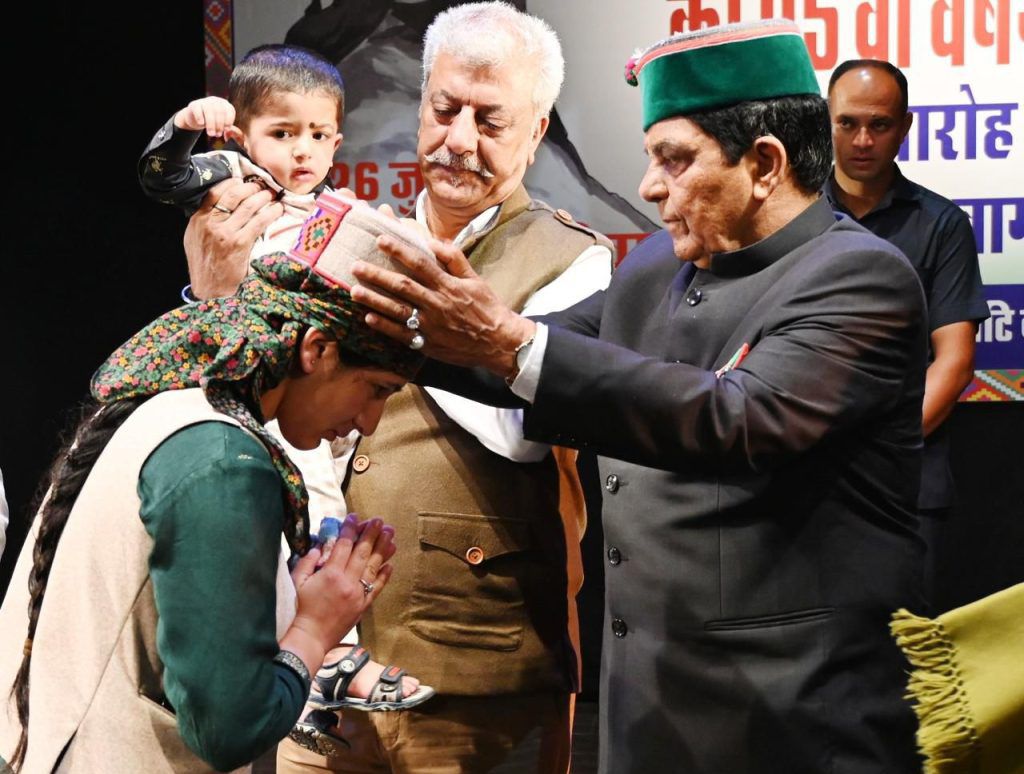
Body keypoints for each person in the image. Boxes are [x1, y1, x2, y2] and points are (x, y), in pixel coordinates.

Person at [349, 19, 930, 773]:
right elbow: (527, 355)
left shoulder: (859, 278)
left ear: (765, 163)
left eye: (674, 159)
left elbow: (736, 417)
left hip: (791, 721)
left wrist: (506, 340)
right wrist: (369, 320)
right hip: (647, 714)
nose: (649, 186)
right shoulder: (658, 265)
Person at [184, 4, 614, 771]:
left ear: (537, 131)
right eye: (444, 110)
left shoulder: (572, 258)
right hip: (310, 670)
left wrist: (411, 321)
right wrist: (214, 295)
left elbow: (522, 433)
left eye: (490, 120)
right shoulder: (344, 229)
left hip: (473, 677)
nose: (459, 140)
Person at [0, 204, 436, 772]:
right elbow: (231, 727)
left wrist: (280, 599)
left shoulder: (175, 401)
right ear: (317, 349)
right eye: (376, 389)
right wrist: (316, 626)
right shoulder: (226, 462)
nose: (370, 422)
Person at [824, 59, 989, 606]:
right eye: (848, 123)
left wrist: (879, 454)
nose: (863, 140)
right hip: (801, 480)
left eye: (880, 125)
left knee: (907, 645)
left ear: (905, 127)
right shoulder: (790, 220)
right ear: (826, 122)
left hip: (907, 484)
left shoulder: (941, 224)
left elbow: (955, 362)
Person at [140, 43, 344, 282]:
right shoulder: (231, 172)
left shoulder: (336, 203)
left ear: (335, 146)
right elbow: (162, 179)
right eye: (282, 134)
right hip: (236, 301)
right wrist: (186, 123)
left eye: (319, 136)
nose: (304, 151)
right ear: (240, 138)